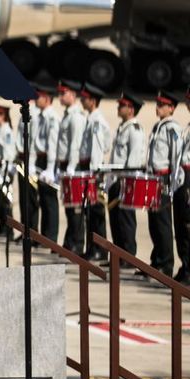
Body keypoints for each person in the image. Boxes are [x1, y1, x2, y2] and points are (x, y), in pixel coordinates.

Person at [146, 90, 182, 277]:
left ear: (172, 108)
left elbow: (176, 157)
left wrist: (173, 182)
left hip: (164, 179)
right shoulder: (157, 127)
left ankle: (166, 264)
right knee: (153, 223)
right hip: (153, 178)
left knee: (163, 223)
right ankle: (156, 259)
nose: (157, 108)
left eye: (162, 105)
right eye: (157, 104)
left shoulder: (172, 128)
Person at [107, 92, 145, 264]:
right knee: (115, 220)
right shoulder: (122, 127)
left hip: (125, 181)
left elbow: (134, 159)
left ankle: (128, 257)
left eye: (122, 105)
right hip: (116, 180)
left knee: (126, 221)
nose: (118, 107)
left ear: (130, 109)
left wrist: (126, 183)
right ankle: (118, 256)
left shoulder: (134, 130)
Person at [79, 83, 111, 261]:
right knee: (89, 211)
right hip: (88, 169)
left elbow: (98, 149)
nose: (82, 100)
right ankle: (92, 247)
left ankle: (99, 249)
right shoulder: (90, 119)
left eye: (85, 98)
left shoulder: (97, 122)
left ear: (93, 101)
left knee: (96, 211)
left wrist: (93, 173)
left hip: (93, 170)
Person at [57, 80, 86, 255]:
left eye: (63, 93)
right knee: (69, 206)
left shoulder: (75, 116)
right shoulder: (68, 114)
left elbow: (75, 144)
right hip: (64, 164)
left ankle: (77, 242)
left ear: (73, 95)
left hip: (72, 165)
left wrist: (71, 167)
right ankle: (70, 241)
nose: (60, 96)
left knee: (75, 207)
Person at [34, 84, 61, 243]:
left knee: (49, 200)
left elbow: (52, 144)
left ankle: (50, 236)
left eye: (39, 96)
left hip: (48, 161)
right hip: (40, 159)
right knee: (43, 199)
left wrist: (50, 168)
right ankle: (44, 235)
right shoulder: (41, 116)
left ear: (47, 99)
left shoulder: (52, 118)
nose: (36, 99)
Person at [15, 89, 40, 241]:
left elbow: (34, 141)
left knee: (31, 198)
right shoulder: (23, 112)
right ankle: (25, 229)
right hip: (21, 158)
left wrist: (32, 162)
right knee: (23, 197)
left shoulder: (35, 115)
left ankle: (33, 230)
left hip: (30, 158)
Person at [0, 104, 16, 237]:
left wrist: (6, 173)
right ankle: (1, 226)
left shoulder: (6, 131)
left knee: (5, 201)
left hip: (4, 169)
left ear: (3, 116)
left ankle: (8, 229)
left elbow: (9, 153)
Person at [174, 86, 190, 284]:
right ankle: (185, 265)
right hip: (183, 176)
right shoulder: (187, 126)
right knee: (180, 224)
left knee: (187, 225)